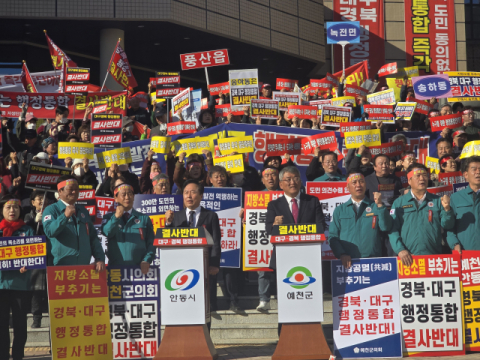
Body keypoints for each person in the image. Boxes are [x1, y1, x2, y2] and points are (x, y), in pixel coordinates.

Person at [165, 180, 221, 310]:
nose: (189, 196)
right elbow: (168, 239)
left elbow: (216, 242)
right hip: (181, 268)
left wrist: (214, 264)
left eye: (193, 192)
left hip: (204, 266)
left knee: (206, 306)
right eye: (185, 193)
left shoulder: (211, 216)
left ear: (201, 196)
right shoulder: (176, 216)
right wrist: (168, 223)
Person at [388, 164, 454, 266]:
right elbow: (393, 230)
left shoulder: (437, 201)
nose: (422, 178)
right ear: (409, 181)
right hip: (408, 258)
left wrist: (447, 209)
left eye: (424, 175)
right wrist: (400, 250)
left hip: (433, 258)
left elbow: (448, 226)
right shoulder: (399, 203)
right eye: (417, 176)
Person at [329, 172, 393, 268]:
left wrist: (380, 205)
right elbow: (333, 236)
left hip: (373, 261)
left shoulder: (375, 206)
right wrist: (341, 254)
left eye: (361, 182)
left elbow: (386, 227)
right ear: (347, 187)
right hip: (348, 263)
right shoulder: (340, 210)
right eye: (354, 182)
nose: (358, 185)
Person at [43, 175, 106, 268]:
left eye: (77, 189)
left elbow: (92, 237)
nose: (74, 192)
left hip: (83, 267)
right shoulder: (51, 210)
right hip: (60, 268)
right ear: (60, 191)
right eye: (71, 189)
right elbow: (49, 231)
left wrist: (99, 258)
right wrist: (64, 216)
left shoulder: (83, 210)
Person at [0, 196, 35, 360]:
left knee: (20, 326)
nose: (12, 211)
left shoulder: (27, 231)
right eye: (8, 208)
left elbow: (34, 256)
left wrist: (27, 264)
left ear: (21, 211)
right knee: (1, 326)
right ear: (2, 211)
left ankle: (18, 356)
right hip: (1, 285)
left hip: (21, 285)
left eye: (16, 208)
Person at [101, 184, 155, 270]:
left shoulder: (144, 218)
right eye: (123, 194)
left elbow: (151, 242)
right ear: (116, 198)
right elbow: (107, 232)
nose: (127, 197)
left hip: (139, 269)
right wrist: (116, 217)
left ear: (134, 197)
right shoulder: (108, 218)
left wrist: (146, 260)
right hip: (116, 269)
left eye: (130, 194)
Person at [24, 190, 47, 329]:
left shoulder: (51, 213)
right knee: (37, 289)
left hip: (49, 255)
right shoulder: (28, 215)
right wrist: (34, 221)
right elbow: (26, 230)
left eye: (44, 198)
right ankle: (36, 318)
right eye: (38, 199)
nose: (42, 201)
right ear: (32, 202)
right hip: (36, 257)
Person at [447, 156, 480, 252]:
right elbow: (450, 227)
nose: (478, 172)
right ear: (465, 174)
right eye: (474, 169)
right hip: (465, 254)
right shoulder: (456, 197)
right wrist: (454, 244)